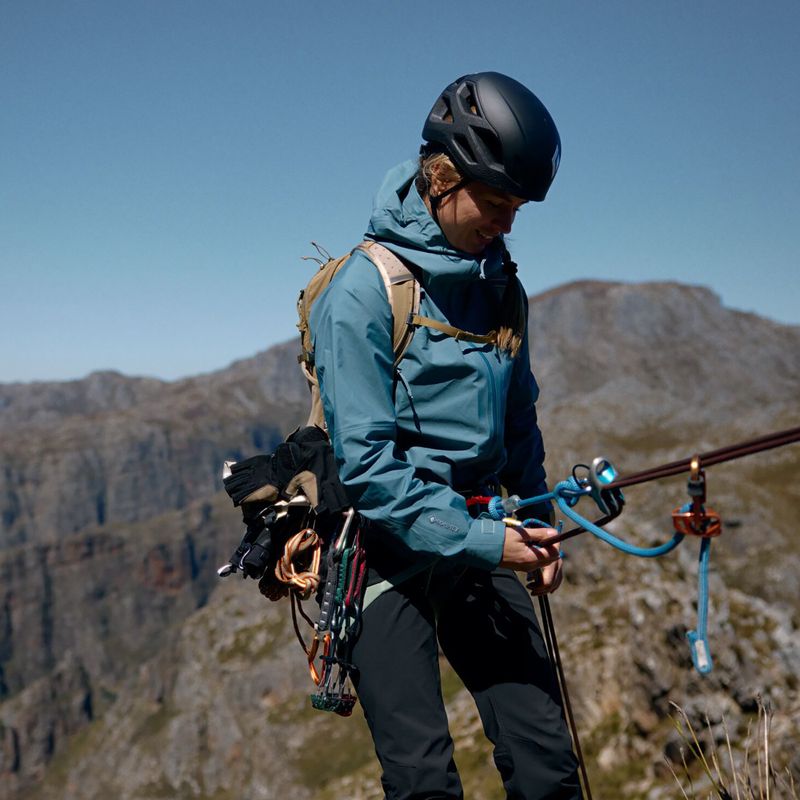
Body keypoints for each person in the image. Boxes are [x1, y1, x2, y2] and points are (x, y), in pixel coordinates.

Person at [310, 72, 581, 800]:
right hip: (384, 548)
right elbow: (366, 467)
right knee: (425, 781)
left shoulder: (500, 287)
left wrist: (540, 520)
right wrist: (494, 541)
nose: (508, 223)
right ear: (441, 178)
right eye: (495, 204)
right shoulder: (363, 291)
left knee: (547, 763)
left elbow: (517, 420)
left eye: (517, 208)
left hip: (482, 527)